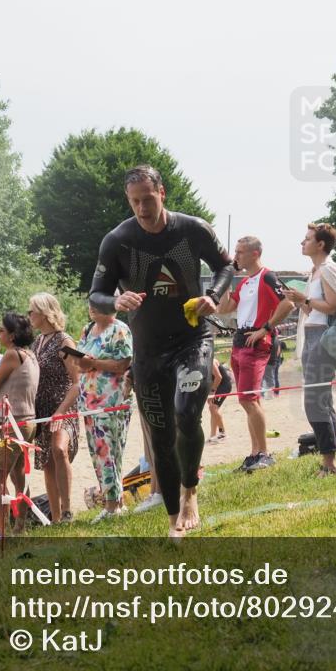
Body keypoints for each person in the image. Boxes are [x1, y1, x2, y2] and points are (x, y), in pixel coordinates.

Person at [89, 164, 234, 538]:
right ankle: (173, 518)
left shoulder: (192, 229)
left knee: (188, 413)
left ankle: (190, 493)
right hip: (148, 350)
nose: (142, 208)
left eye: (148, 200)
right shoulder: (117, 240)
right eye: (134, 202)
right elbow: (96, 293)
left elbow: (225, 266)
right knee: (161, 435)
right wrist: (116, 299)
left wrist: (213, 296)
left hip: (192, 339)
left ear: (162, 193)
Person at [216, 235, 294, 472]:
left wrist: (265, 329)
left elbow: (288, 303)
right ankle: (254, 453)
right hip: (240, 341)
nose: (236, 256)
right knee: (250, 400)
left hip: (255, 343)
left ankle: (263, 453)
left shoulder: (267, 276)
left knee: (247, 399)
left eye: (240, 252)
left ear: (254, 254)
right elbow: (224, 309)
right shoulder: (245, 282)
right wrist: (224, 283)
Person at [283, 222, 336, 477]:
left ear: (320, 244)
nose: (303, 242)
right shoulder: (314, 271)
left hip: (325, 338)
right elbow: (314, 310)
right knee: (321, 398)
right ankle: (331, 454)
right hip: (314, 334)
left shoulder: (328, 269)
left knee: (314, 400)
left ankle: (329, 461)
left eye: (307, 238)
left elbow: (335, 306)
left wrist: (306, 300)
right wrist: (299, 301)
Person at [72, 302, 133, 522]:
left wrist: (94, 363)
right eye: (90, 304)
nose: (92, 308)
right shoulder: (88, 329)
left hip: (111, 400)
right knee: (97, 453)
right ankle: (113, 501)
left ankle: (112, 505)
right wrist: (84, 364)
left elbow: (123, 363)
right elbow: (80, 363)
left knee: (110, 451)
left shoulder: (120, 329)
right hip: (89, 401)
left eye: (97, 304)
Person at [28, 292, 81, 524]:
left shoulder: (65, 341)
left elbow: (79, 382)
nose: (29, 315)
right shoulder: (36, 342)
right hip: (41, 410)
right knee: (47, 461)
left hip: (63, 406)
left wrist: (60, 411)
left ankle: (67, 511)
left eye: (32, 311)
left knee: (59, 450)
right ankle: (56, 516)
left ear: (44, 312)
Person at [0, 312, 39, 536]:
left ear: (13, 335)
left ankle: (1, 531)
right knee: (19, 475)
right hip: (28, 420)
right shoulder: (31, 355)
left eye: (2, 330)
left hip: (10, 422)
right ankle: (20, 527)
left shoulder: (12, 355)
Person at [207, 359, 232, 445]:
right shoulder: (202, 361)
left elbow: (219, 377)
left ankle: (222, 433)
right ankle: (213, 435)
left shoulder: (211, 361)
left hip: (224, 385)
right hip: (216, 386)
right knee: (212, 409)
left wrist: (212, 391)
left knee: (213, 408)